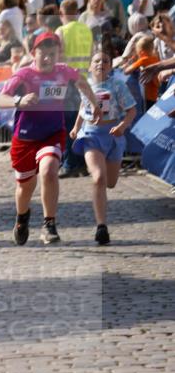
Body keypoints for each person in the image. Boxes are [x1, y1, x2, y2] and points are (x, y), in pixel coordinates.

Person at [0, 32, 102, 246]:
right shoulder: (23, 74)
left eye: (52, 54)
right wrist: (19, 100)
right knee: (25, 187)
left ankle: (49, 224)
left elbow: (82, 82)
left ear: (58, 54)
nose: (47, 59)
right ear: (33, 53)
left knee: (49, 171)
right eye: (43, 54)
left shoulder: (63, 71)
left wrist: (94, 104)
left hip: (52, 133)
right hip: (25, 138)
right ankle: (22, 218)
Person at [69, 51, 136, 245]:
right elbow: (83, 107)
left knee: (110, 183)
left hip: (113, 135)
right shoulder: (86, 84)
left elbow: (131, 110)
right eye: (96, 61)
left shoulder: (118, 85)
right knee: (98, 177)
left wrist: (122, 126)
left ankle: (102, 195)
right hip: (91, 135)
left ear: (110, 66)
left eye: (105, 61)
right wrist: (76, 128)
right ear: (90, 66)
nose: (101, 64)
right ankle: (101, 227)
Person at [56, 0, 94, 178]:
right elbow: (92, 54)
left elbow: (58, 56)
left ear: (61, 13)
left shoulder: (61, 30)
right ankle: (82, 163)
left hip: (67, 81)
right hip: (85, 79)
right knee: (82, 121)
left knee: (68, 122)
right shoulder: (86, 30)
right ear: (77, 13)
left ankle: (70, 164)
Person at [125, 35, 160, 104]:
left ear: (141, 52)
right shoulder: (155, 59)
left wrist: (129, 64)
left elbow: (127, 71)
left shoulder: (143, 60)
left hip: (146, 94)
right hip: (154, 92)